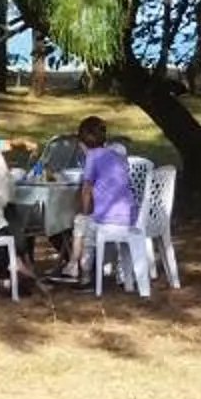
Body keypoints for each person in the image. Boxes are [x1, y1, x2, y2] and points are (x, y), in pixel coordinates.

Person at [65, 114, 136, 281]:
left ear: (82, 144)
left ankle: (81, 271)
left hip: (109, 218)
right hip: (130, 215)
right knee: (87, 222)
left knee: (81, 223)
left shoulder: (92, 157)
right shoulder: (115, 155)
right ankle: (77, 265)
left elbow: (86, 190)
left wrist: (84, 211)